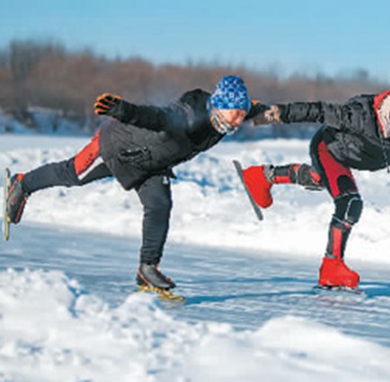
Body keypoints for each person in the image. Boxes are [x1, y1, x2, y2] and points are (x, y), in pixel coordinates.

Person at [5, 75, 268, 292]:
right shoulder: (187, 115)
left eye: (241, 114)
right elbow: (156, 117)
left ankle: (147, 268)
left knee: (160, 204)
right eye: (235, 114)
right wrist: (123, 110)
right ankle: (23, 184)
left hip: (152, 162)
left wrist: (304, 113)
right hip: (118, 147)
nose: (238, 120)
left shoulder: (224, 118)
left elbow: (274, 111)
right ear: (220, 105)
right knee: (73, 174)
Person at [243, 68, 390, 291]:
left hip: (352, 157)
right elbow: (317, 110)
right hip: (330, 149)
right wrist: (275, 115)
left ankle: (261, 176)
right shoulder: (360, 117)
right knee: (350, 203)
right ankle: (332, 268)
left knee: (319, 179)